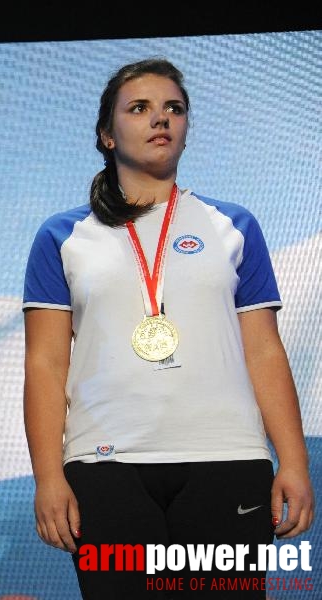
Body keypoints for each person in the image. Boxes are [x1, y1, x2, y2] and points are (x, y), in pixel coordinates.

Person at [22, 58, 314, 598]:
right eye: (140, 108)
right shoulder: (63, 237)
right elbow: (44, 364)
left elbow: (265, 352)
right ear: (107, 135)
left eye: (173, 109)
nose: (161, 119)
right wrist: (48, 477)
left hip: (226, 459)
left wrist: (292, 461)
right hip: (105, 465)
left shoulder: (234, 226)